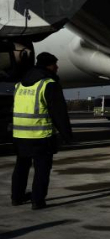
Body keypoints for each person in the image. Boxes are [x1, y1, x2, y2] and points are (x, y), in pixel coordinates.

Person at [11, 52, 74, 209]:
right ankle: (37, 200)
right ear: (48, 66)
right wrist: (67, 136)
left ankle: (17, 197)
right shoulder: (48, 84)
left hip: (20, 135)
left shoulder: (20, 84)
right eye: (54, 64)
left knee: (21, 167)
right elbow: (59, 113)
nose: (57, 67)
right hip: (41, 136)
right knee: (42, 170)